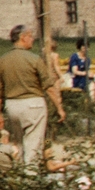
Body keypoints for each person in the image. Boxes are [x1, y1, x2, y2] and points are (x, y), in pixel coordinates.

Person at [0, 26, 66, 167]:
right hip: (33, 104)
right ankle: (31, 179)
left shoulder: (3, 60)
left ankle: (21, 176)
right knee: (33, 145)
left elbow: (0, 89)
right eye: (30, 36)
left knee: (20, 144)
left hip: (12, 106)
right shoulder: (34, 59)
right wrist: (59, 108)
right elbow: (49, 87)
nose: (32, 39)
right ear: (23, 37)